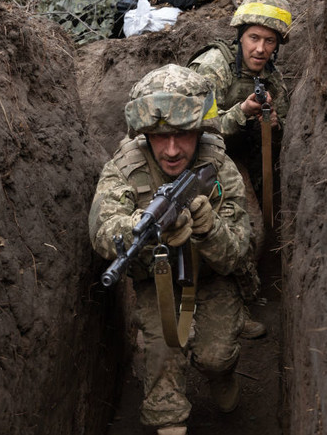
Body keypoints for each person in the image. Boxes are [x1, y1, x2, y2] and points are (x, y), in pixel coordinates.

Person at [89, 64, 251, 435]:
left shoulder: (218, 168)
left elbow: (239, 253)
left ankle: (221, 373)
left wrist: (209, 229)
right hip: (156, 281)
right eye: (160, 137)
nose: (173, 150)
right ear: (144, 134)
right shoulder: (125, 168)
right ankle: (169, 420)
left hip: (212, 278)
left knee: (215, 356)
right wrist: (141, 229)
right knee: (163, 355)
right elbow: (102, 230)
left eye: (183, 135)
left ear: (200, 131)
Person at [187, 0, 293, 339]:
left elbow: (289, 141)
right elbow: (189, 128)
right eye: (254, 38)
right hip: (190, 159)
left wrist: (274, 126)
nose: (261, 49)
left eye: (269, 41)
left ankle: (235, 307)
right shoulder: (212, 67)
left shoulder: (272, 78)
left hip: (234, 161)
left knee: (253, 231)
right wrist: (240, 113)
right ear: (240, 36)